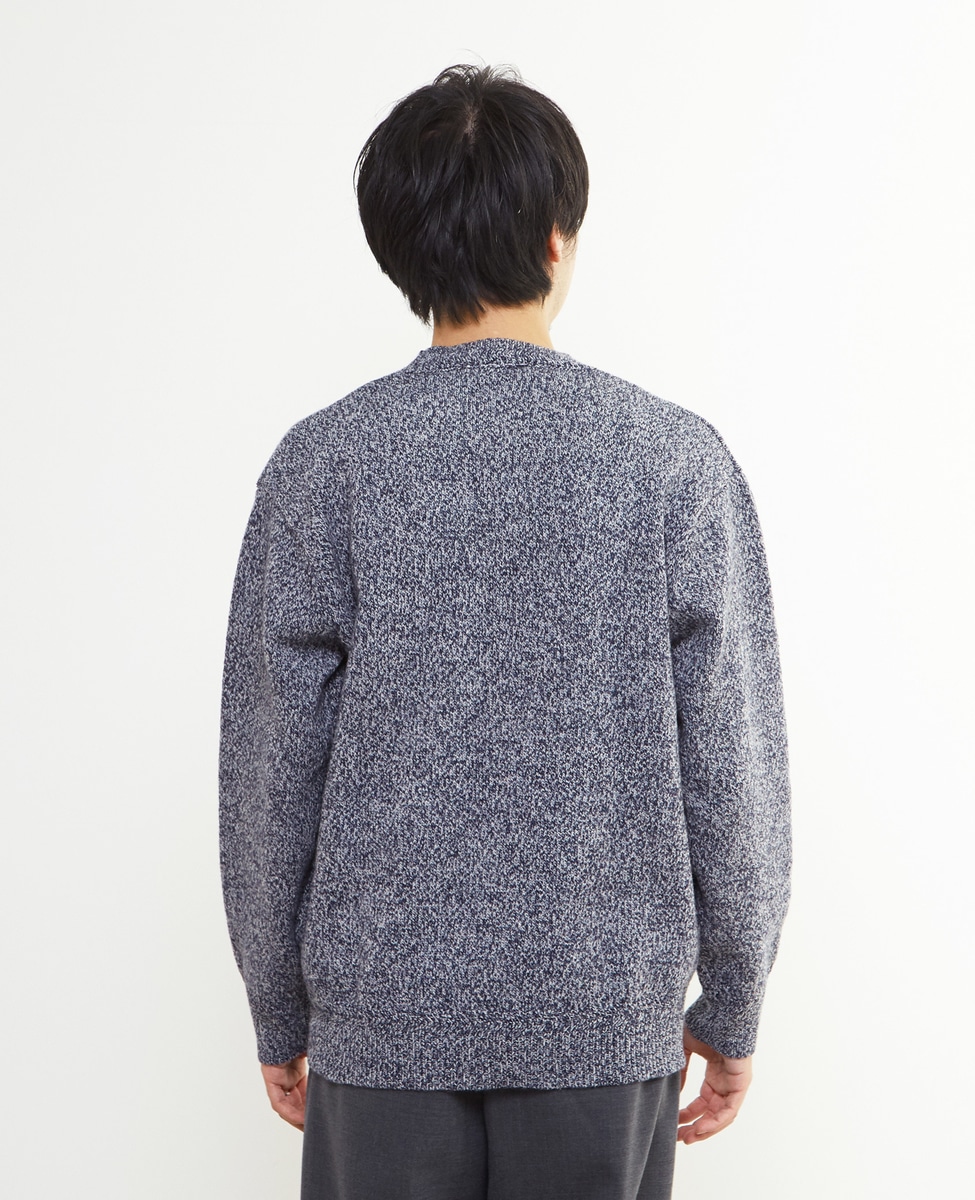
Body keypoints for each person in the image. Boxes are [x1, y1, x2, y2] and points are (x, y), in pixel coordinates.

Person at [218, 63, 793, 1199]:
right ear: (554, 239)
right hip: (601, 1016)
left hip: (383, 1023)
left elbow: (270, 769)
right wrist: (733, 1000)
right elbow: (734, 770)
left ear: (399, 251)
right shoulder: (673, 464)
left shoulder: (323, 465)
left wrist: (278, 1003)